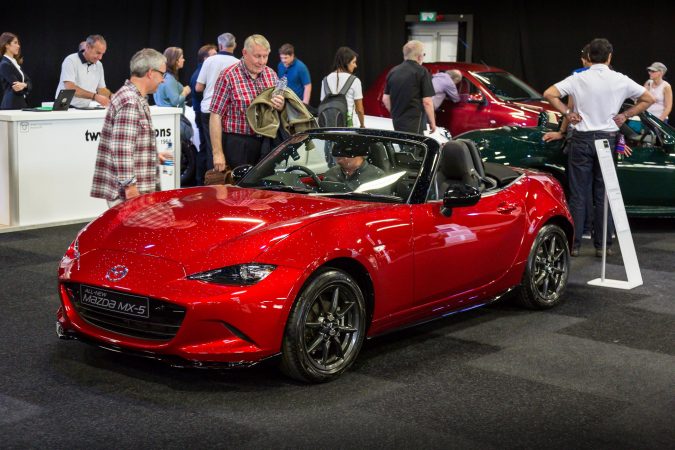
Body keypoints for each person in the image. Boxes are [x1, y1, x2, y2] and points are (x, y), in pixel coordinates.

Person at [543, 38, 654, 257]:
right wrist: (626, 115)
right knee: (603, 194)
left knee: (577, 195)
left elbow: (549, 93)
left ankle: (573, 246)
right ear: (610, 56)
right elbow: (648, 98)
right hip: (607, 140)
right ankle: (603, 246)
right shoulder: (620, 79)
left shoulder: (578, 78)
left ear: (588, 57)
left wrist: (567, 113)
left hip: (582, 140)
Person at [90, 48, 172, 208]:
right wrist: (130, 187)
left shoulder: (133, 97)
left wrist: (152, 155)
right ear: (150, 73)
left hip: (132, 189)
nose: (163, 80)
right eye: (163, 74)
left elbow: (127, 143)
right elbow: (121, 148)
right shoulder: (130, 101)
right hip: (129, 193)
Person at [210, 34, 284, 171]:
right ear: (244, 53)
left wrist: (280, 105)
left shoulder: (271, 74)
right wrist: (217, 153)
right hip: (238, 144)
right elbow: (215, 115)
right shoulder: (228, 76)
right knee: (239, 189)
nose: (262, 61)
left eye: (265, 56)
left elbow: (277, 109)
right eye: (257, 56)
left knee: (264, 189)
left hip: (266, 142)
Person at [195, 33, 238, 172]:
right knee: (229, 149)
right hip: (229, 112)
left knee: (211, 149)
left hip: (209, 109)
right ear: (235, 45)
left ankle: (211, 184)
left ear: (220, 45)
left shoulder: (210, 61)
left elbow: (198, 87)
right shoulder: (238, 63)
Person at [382, 40, 436, 134]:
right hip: (414, 122)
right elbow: (427, 102)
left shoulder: (393, 71)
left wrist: (396, 114)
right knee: (416, 147)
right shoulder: (422, 71)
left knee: (402, 146)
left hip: (397, 121)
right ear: (419, 56)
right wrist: (432, 122)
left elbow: (385, 99)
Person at [56, 34, 110, 108]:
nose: (100, 57)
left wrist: (112, 96)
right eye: (98, 53)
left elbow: (101, 89)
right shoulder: (70, 60)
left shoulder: (99, 65)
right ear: (87, 47)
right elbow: (70, 88)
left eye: (102, 54)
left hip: (85, 107)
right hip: (65, 106)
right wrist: (94, 96)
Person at [190, 44, 217, 185]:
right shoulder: (200, 74)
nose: (216, 57)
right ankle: (203, 181)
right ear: (205, 58)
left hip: (200, 113)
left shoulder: (201, 72)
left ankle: (202, 180)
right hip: (201, 114)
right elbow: (199, 92)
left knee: (206, 147)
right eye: (213, 55)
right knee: (206, 148)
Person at [320, 46, 365, 128]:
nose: (355, 66)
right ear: (346, 62)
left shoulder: (325, 80)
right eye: (353, 62)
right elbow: (359, 109)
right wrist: (362, 125)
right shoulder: (355, 81)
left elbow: (323, 103)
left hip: (329, 128)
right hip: (349, 128)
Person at [0, 32, 31, 109]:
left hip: (20, 104)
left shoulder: (15, 63)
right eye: (15, 43)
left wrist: (25, 85)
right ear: (7, 45)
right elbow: (18, 89)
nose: (18, 46)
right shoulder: (5, 64)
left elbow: (29, 82)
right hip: (11, 105)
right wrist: (26, 85)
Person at [153, 47, 191, 111]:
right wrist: (185, 91)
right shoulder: (169, 79)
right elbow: (176, 101)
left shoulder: (164, 76)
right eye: (182, 58)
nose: (184, 60)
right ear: (175, 61)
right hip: (172, 118)